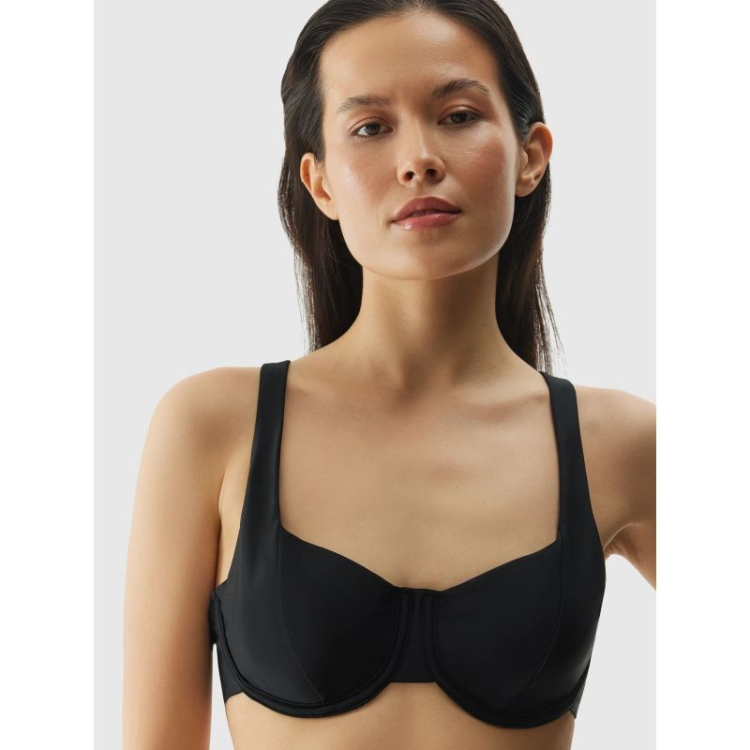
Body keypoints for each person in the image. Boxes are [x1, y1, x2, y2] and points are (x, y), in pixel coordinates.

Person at [123, 1, 656, 748]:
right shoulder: (213, 426)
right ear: (320, 184)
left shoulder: (622, 443)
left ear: (531, 154)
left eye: (458, 116)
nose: (418, 160)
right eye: (371, 128)